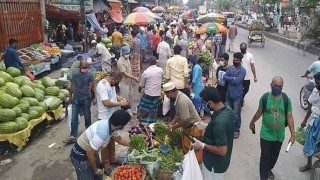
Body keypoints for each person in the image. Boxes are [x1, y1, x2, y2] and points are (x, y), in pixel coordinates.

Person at [249, 76, 295, 180]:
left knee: (274, 157)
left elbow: (289, 117)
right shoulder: (265, 98)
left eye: (280, 86)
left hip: (279, 136)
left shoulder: (286, 99)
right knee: (264, 157)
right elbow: (259, 112)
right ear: (271, 84)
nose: (277, 88)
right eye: (275, 85)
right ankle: (264, 176)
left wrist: (293, 135)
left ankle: (269, 168)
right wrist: (252, 123)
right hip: (266, 134)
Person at [70, 109, 131, 180]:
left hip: (92, 152)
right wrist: (95, 170)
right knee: (88, 176)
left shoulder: (112, 126)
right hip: (81, 156)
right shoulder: (102, 133)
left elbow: (119, 139)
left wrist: (132, 144)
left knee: (98, 176)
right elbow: (89, 153)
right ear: (120, 125)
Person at [191, 87, 235, 180]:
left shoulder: (219, 122)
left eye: (204, 102)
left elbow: (222, 151)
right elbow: (225, 129)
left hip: (214, 166)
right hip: (222, 163)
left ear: (210, 103)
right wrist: (207, 126)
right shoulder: (228, 110)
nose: (204, 105)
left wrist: (202, 145)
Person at [96, 71, 129, 167]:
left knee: (112, 140)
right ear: (112, 78)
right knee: (105, 143)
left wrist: (119, 98)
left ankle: (112, 159)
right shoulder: (102, 86)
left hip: (112, 116)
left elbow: (112, 95)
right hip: (104, 118)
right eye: (116, 82)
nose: (116, 84)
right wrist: (120, 104)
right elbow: (105, 102)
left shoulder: (112, 84)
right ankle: (105, 165)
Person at [162, 82, 202, 157]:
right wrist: (171, 124)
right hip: (189, 127)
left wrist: (172, 127)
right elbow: (177, 115)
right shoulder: (178, 96)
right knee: (187, 150)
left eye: (166, 95)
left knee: (192, 154)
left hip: (194, 128)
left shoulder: (181, 101)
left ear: (170, 93)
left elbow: (185, 120)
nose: (166, 97)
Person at [64, 60, 97, 144]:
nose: (85, 69)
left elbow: (93, 85)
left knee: (87, 116)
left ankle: (89, 134)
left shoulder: (90, 74)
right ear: (80, 68)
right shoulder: (75, 73)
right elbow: (73, 84)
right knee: (74, 118)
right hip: (76, 98)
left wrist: (95, 97)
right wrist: (70, 95)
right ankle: (73, 136)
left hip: (86, 97)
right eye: (83, 68)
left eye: (86, 68)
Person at [300, 72, 320, 172]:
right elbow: (310, 106)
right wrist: (305, 120)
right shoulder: (315, 90)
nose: (316, 85)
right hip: (314, 120)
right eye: (315, 83)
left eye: (318, 83)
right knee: (309, 142)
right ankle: (309, 164)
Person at [223, 52, 246, 139]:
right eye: (234, 59)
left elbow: (237, 82)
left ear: (240, 61)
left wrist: (231, 79)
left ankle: (236, 130)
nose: (235, 61)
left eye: (237, 60)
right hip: (228, 94)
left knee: (236, 113)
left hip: (237, 95)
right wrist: (233, 78)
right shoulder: (230, 68)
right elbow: (224, 77)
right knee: (228, 112)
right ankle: (228, 129)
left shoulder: (242, 70)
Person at [138, 56, 164, 123]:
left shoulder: (146, 72)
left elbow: (142, 84)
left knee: (144, 106)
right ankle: (151, 121)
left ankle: (143, 119)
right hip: (156, 93)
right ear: (156, 62)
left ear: (149, 63)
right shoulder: (160, 70)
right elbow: (162, 77)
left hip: (148, 93)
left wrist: (139, 89)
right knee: (153, 108)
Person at [117, 46, 140, 116]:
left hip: (129, 82)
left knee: (131, 96)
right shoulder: (120, 62)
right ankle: (125, 112)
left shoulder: (127, 59)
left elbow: (129, 69)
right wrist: (134, 78)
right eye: (126, 53)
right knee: (124, 98)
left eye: (128, 53)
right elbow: (124, 73)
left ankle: (132, 110)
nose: (128, 54)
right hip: (124, 82)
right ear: (123, 53)